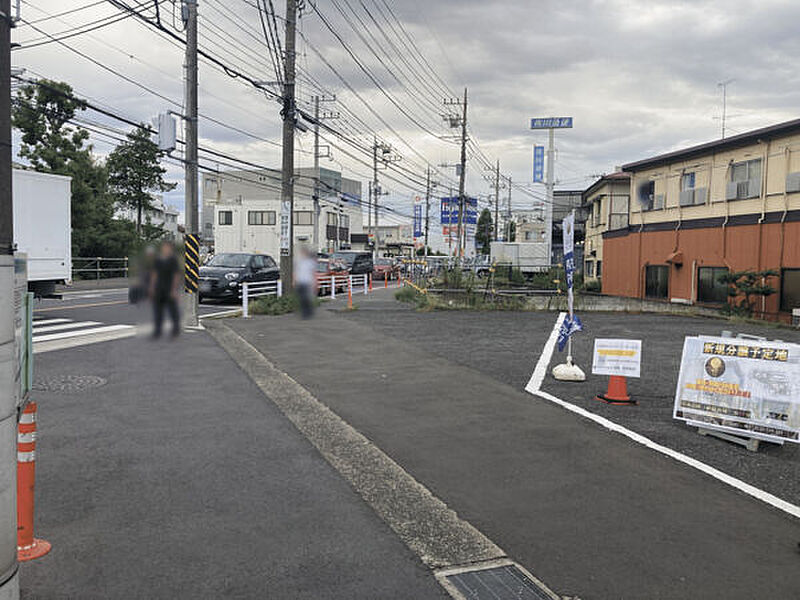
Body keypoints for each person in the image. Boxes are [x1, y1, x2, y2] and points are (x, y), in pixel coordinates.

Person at [150, 240, 181, 337]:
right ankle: (157, 330)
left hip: (169, 287)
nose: (165, 249)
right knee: (158, 310)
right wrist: (152, 287)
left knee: (172, 310)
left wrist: (174, 290)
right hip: (159, 288)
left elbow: (176, 275)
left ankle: (175, 329)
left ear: (171, 249)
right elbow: (154, 273)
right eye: (164, 247)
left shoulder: (173, 260)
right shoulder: (158, 259)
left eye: (167, 247)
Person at [295, 247, 316, 319]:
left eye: (304, 253)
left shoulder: (310, 262)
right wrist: (294, 280)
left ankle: (307, 313)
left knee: (306, 298)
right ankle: (306, 312)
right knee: (301, 298)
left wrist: (315, 282)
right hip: (300, 282)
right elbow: (296, 272)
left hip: (308, 282)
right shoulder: (299, 261)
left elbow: (313, 273)